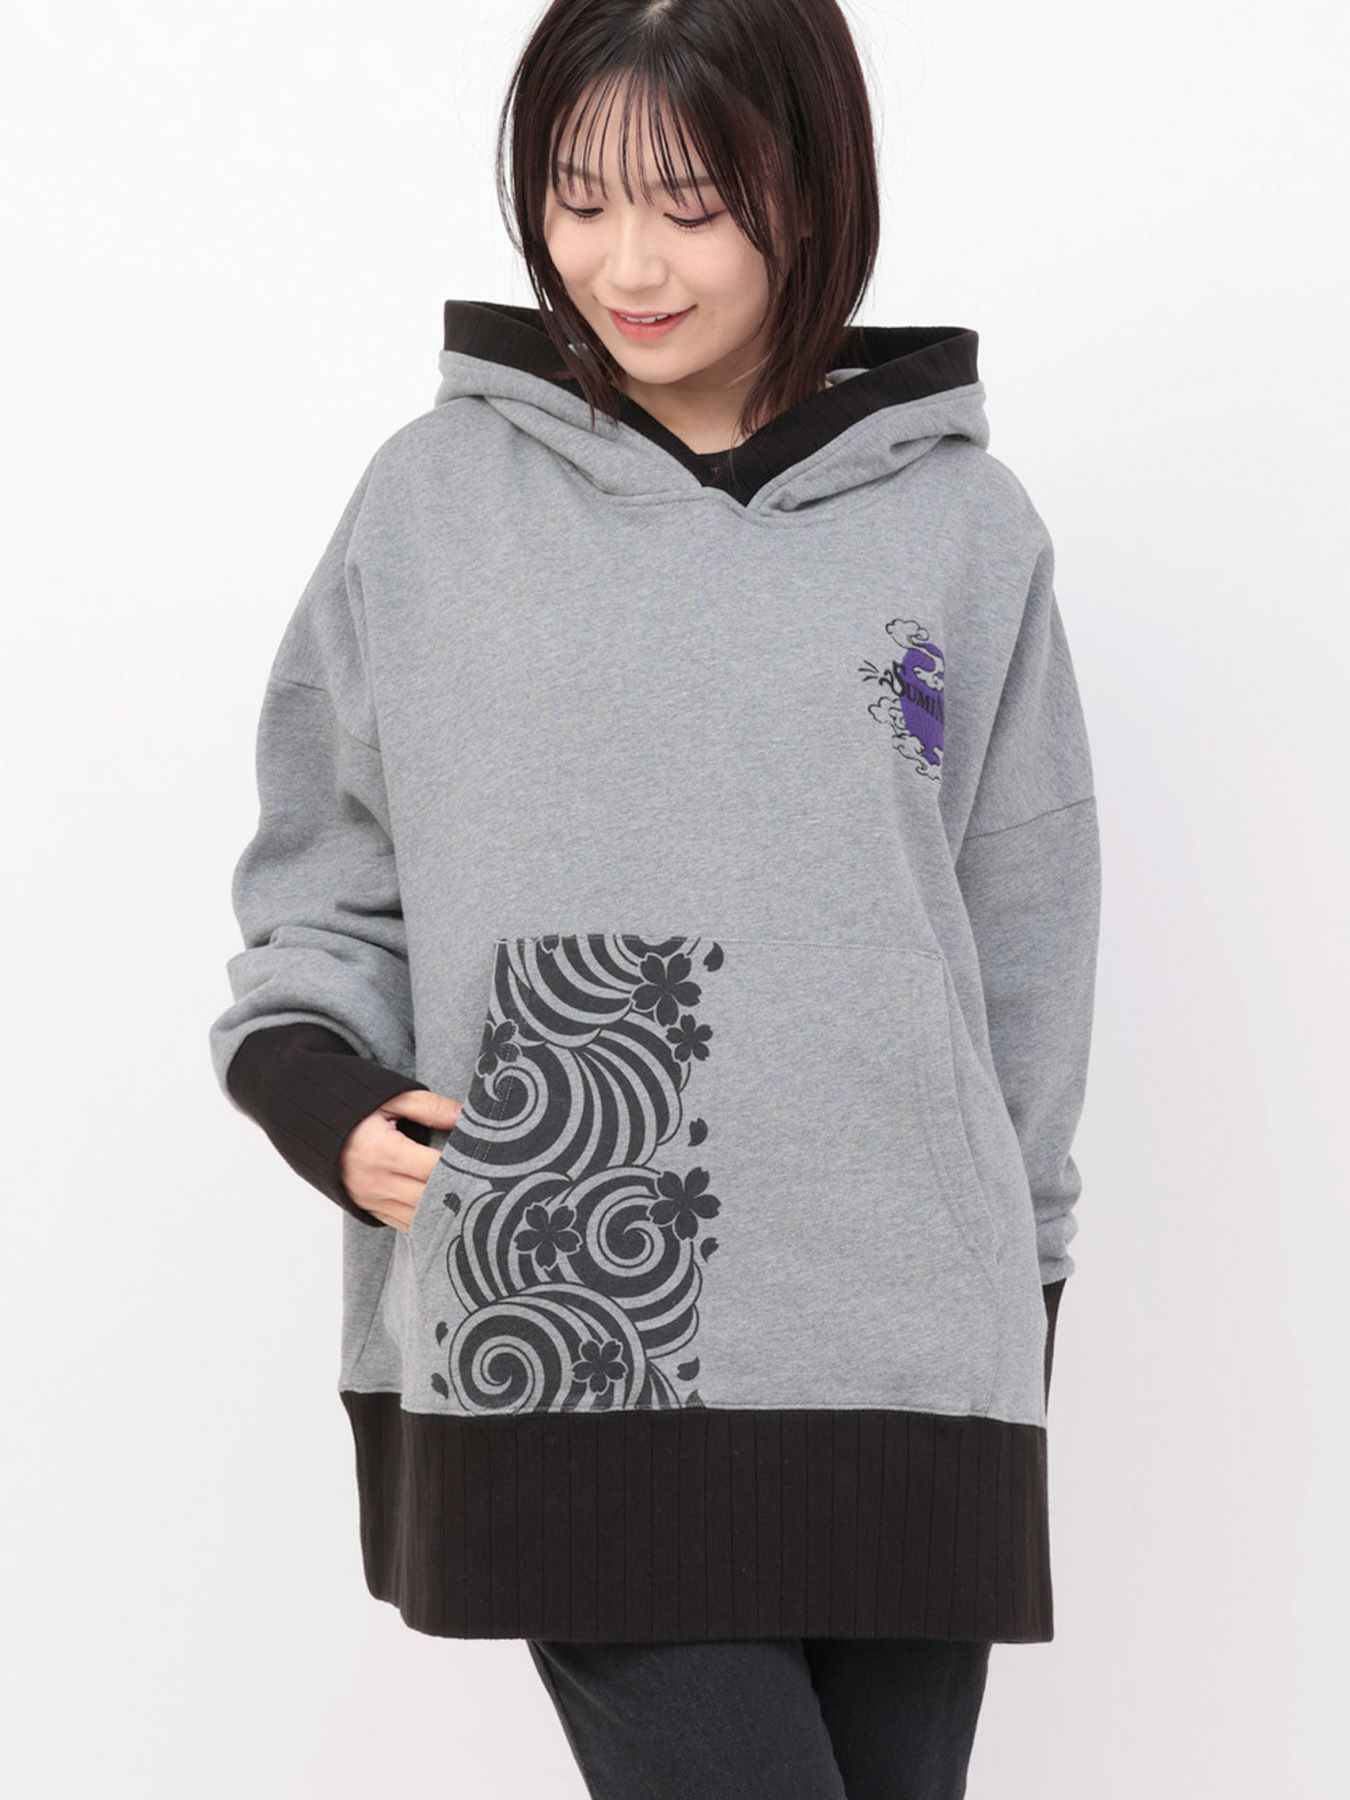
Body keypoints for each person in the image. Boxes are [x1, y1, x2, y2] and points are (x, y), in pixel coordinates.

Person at [208, 2, 1102, 1795]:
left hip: (909, 1339)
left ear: (811, 191)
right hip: (574, 1294)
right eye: (578, 198)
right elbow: (327, 879)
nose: (626, 265)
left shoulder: (965, 526)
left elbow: (1025, 950)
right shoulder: (430, 506)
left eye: (693, 206)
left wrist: (1025, 1285)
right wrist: (320, 1091)